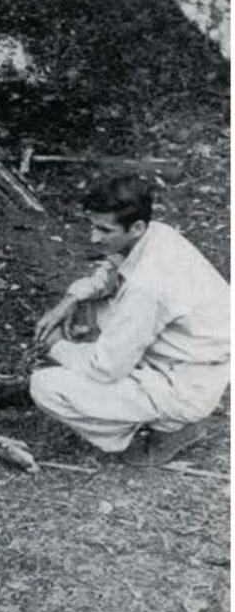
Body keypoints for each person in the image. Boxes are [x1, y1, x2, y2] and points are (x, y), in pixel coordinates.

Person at [30, 174, 229, 465]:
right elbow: (114, 266)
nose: (93, 238)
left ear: (136, 227)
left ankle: (167, 428)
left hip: (183, 384)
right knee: (100, 308)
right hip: (196, 360)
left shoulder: (147, 286)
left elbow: (104, 370)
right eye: (92, 226)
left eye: (104, 230)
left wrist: (56, 346)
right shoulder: (156, 233)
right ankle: (154, 413)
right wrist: (70, 299)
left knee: (45, 385)